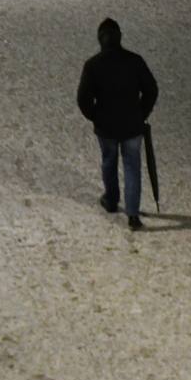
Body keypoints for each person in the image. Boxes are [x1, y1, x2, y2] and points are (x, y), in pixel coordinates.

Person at [77, 17, 158, 230]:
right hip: (132, 124)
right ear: (120, 37)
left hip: (106, 126)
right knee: (132, 166)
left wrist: (95, 116)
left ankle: (111, 200)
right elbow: (151, 89)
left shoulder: (93, 65)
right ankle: (133, 214)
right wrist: (142, 113)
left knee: (108, 161)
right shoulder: (135, 61)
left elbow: (83, 99)